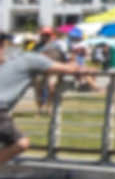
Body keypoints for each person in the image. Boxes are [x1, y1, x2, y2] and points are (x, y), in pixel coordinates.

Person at [0, 37, 81, 169]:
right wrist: (75, 62)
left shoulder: (18, 59)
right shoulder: (34, 60)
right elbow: (69, 69)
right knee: (20, 143)